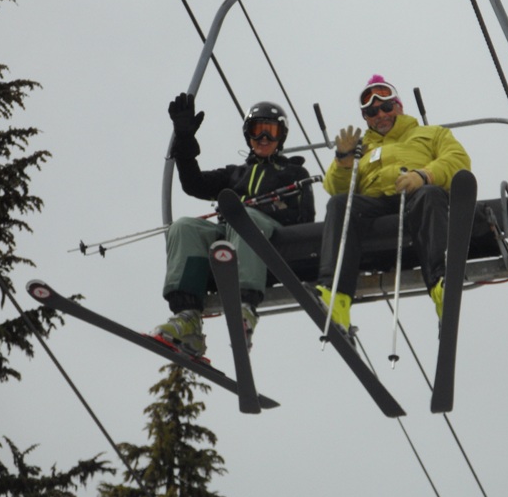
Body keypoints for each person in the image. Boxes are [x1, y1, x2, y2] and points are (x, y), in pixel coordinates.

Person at [152, 93, 315, 356]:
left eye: (270, 132)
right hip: (231, 234)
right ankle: (188, 318)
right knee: (184, 226)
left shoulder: (293, 174)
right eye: (257, 131)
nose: (263, 138)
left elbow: (305, 220)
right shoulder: (235, 174)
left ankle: (245, 308)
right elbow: (193, 183)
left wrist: (259, 211)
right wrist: (184, 139)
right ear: (248, 136)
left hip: (268, 239)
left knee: (245, 219)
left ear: (281, 136)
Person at [316, 75, 471, 334]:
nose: (381, 115)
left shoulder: (431, 134)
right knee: (340, 205)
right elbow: (335, 187)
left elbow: (458, 160)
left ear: (399, 107)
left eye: (386, 107)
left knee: (430, 196)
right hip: (376, 204)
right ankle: (337, 298)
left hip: (415, 196)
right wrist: (343, 161)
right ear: (366, 117)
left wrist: (423, 176)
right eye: (372, 112)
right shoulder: (361, 148)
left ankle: (441, 286)